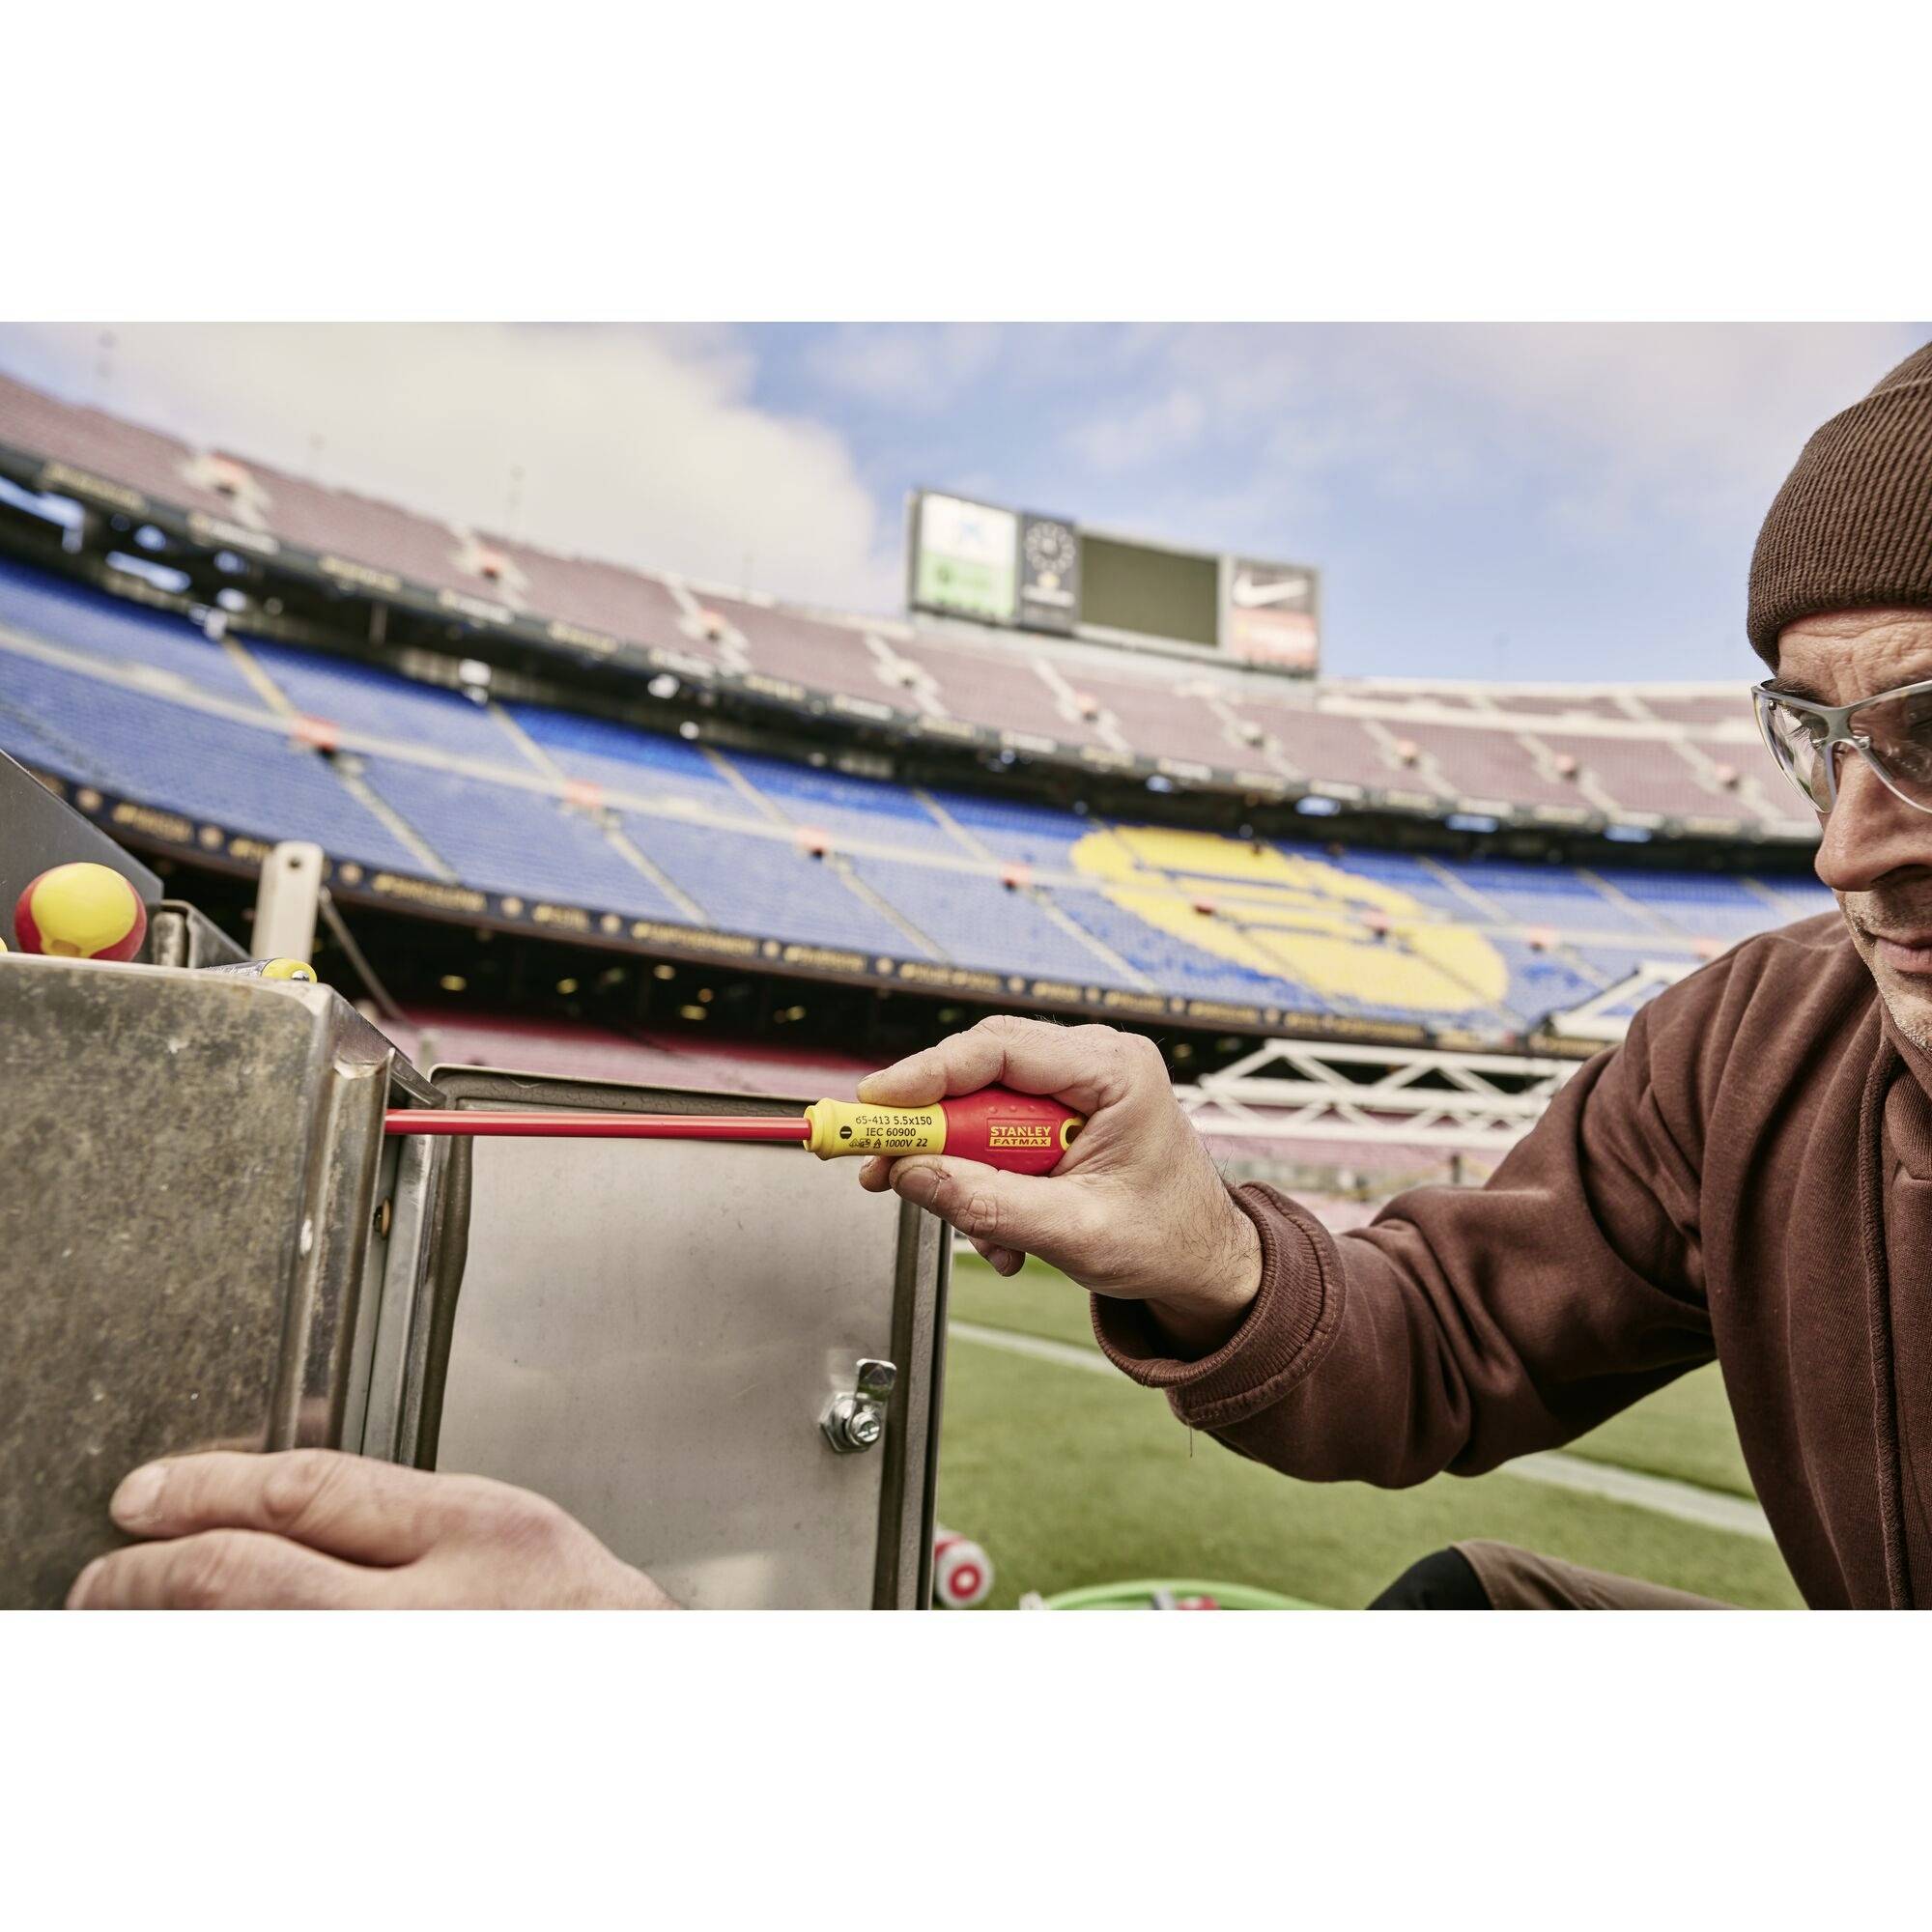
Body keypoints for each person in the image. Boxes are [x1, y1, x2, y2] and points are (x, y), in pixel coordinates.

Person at [70, 339, 1932, 1611]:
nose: (1847, 843)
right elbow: (1444, 1343)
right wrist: (1209, 1244)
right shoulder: (1757, 1047)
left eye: (1926, 728)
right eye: (1817, 736)